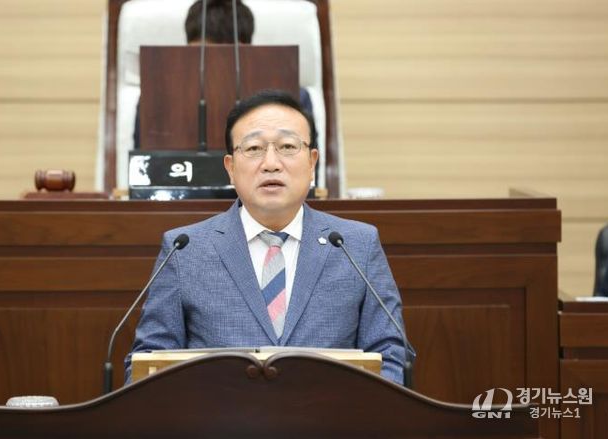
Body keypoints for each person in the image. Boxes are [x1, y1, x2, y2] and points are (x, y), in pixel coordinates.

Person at [125, 90, 409, 384]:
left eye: (287, 146)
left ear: (312, 163)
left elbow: (391, 356)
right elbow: (147, 362)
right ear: (230, 168)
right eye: (253, 148)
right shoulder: (185, 250)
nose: (271, 163)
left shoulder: (357, 245)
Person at [133, 0, 314, 149]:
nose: (213, 69)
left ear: (245, 51)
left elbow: (307, 174)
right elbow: (142, 169)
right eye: (200, 56)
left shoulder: (294, 99)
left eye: (221, 57)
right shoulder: (155, 100)